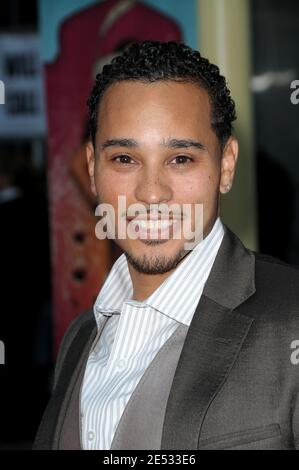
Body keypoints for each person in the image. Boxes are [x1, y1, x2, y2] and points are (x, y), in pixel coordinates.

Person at [34, 41, 299, 450]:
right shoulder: (80, 337)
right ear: (92, 169)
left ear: (225, 166)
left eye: (180, 159)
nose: (152, 193)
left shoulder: (292, 319)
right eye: (124, 158)